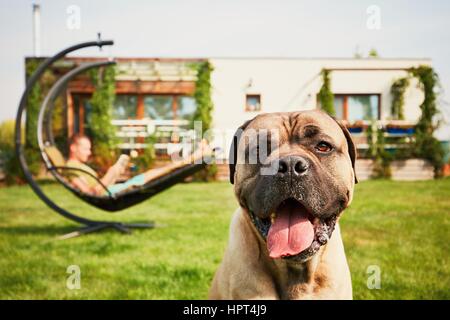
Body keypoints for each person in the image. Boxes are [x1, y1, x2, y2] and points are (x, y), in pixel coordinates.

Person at [66, 134, 211, 196]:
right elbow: (93, 193)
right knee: (167, 169)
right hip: (113, 192)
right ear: (73, 147)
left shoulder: (77, 166)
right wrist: (113, 172)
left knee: (164, 170)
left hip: (115, 188)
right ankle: (197, 155)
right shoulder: (71, 169)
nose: (89, 152)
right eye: (86, 148)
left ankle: (197, 154)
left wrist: (115, 172)